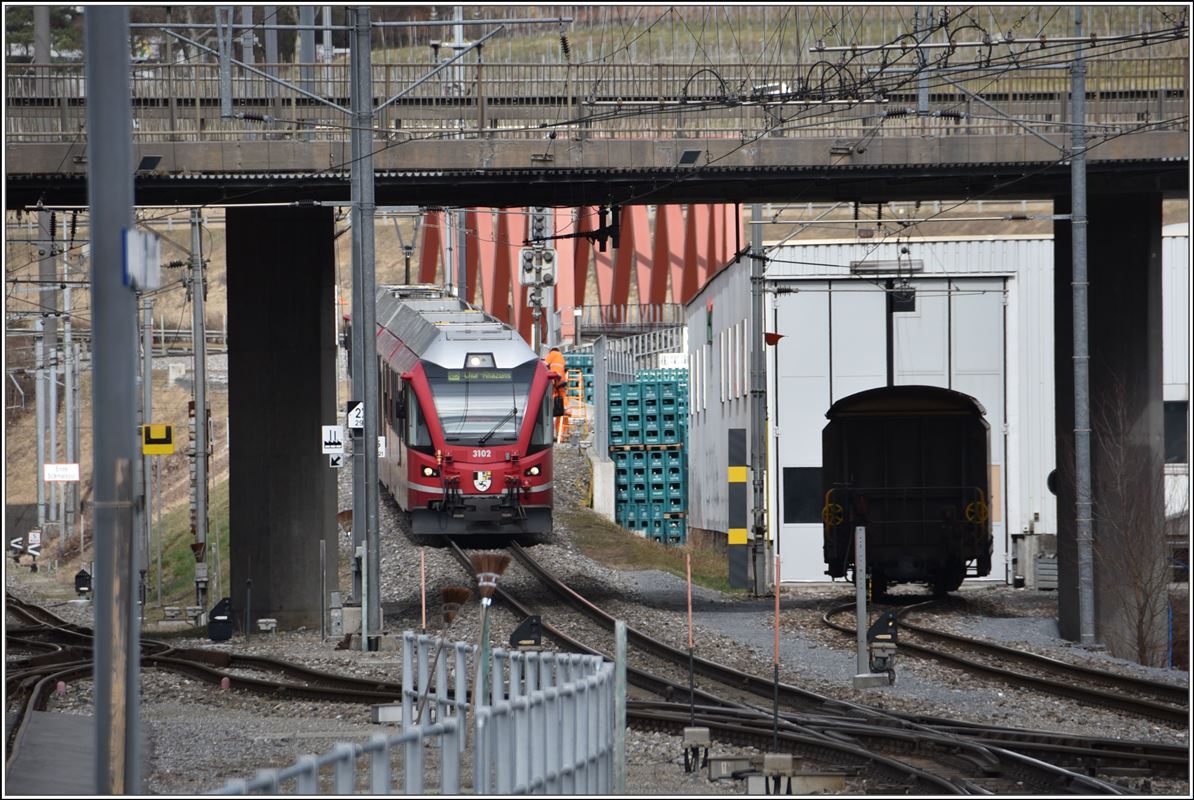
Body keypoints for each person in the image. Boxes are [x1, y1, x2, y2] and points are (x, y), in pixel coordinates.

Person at [545, 347, 569, 442]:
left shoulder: (553, 354)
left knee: (548, 409)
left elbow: (544, 364)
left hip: (554, 382)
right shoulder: (561, 357)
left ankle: (548, 435)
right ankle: (561, 435)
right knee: (562, 410)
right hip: (560, 384)